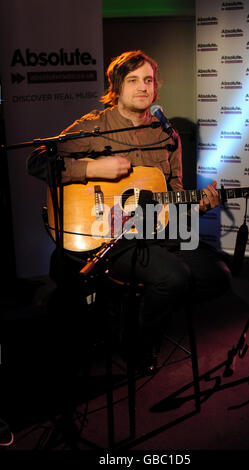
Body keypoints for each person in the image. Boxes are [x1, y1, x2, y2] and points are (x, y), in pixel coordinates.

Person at [27, 50, 231, 373]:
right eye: (133, 80)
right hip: (111, 235)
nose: (142, 87)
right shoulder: (95, 127)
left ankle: (133, 318)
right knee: (174, 277)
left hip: (156, 230)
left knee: (218, 274)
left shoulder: (167, 136)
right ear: (117, 87)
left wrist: (198, 204)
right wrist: (93, 169)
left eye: (148, 80)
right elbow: (38, 161)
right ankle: (135, 342)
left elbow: (175, 195)